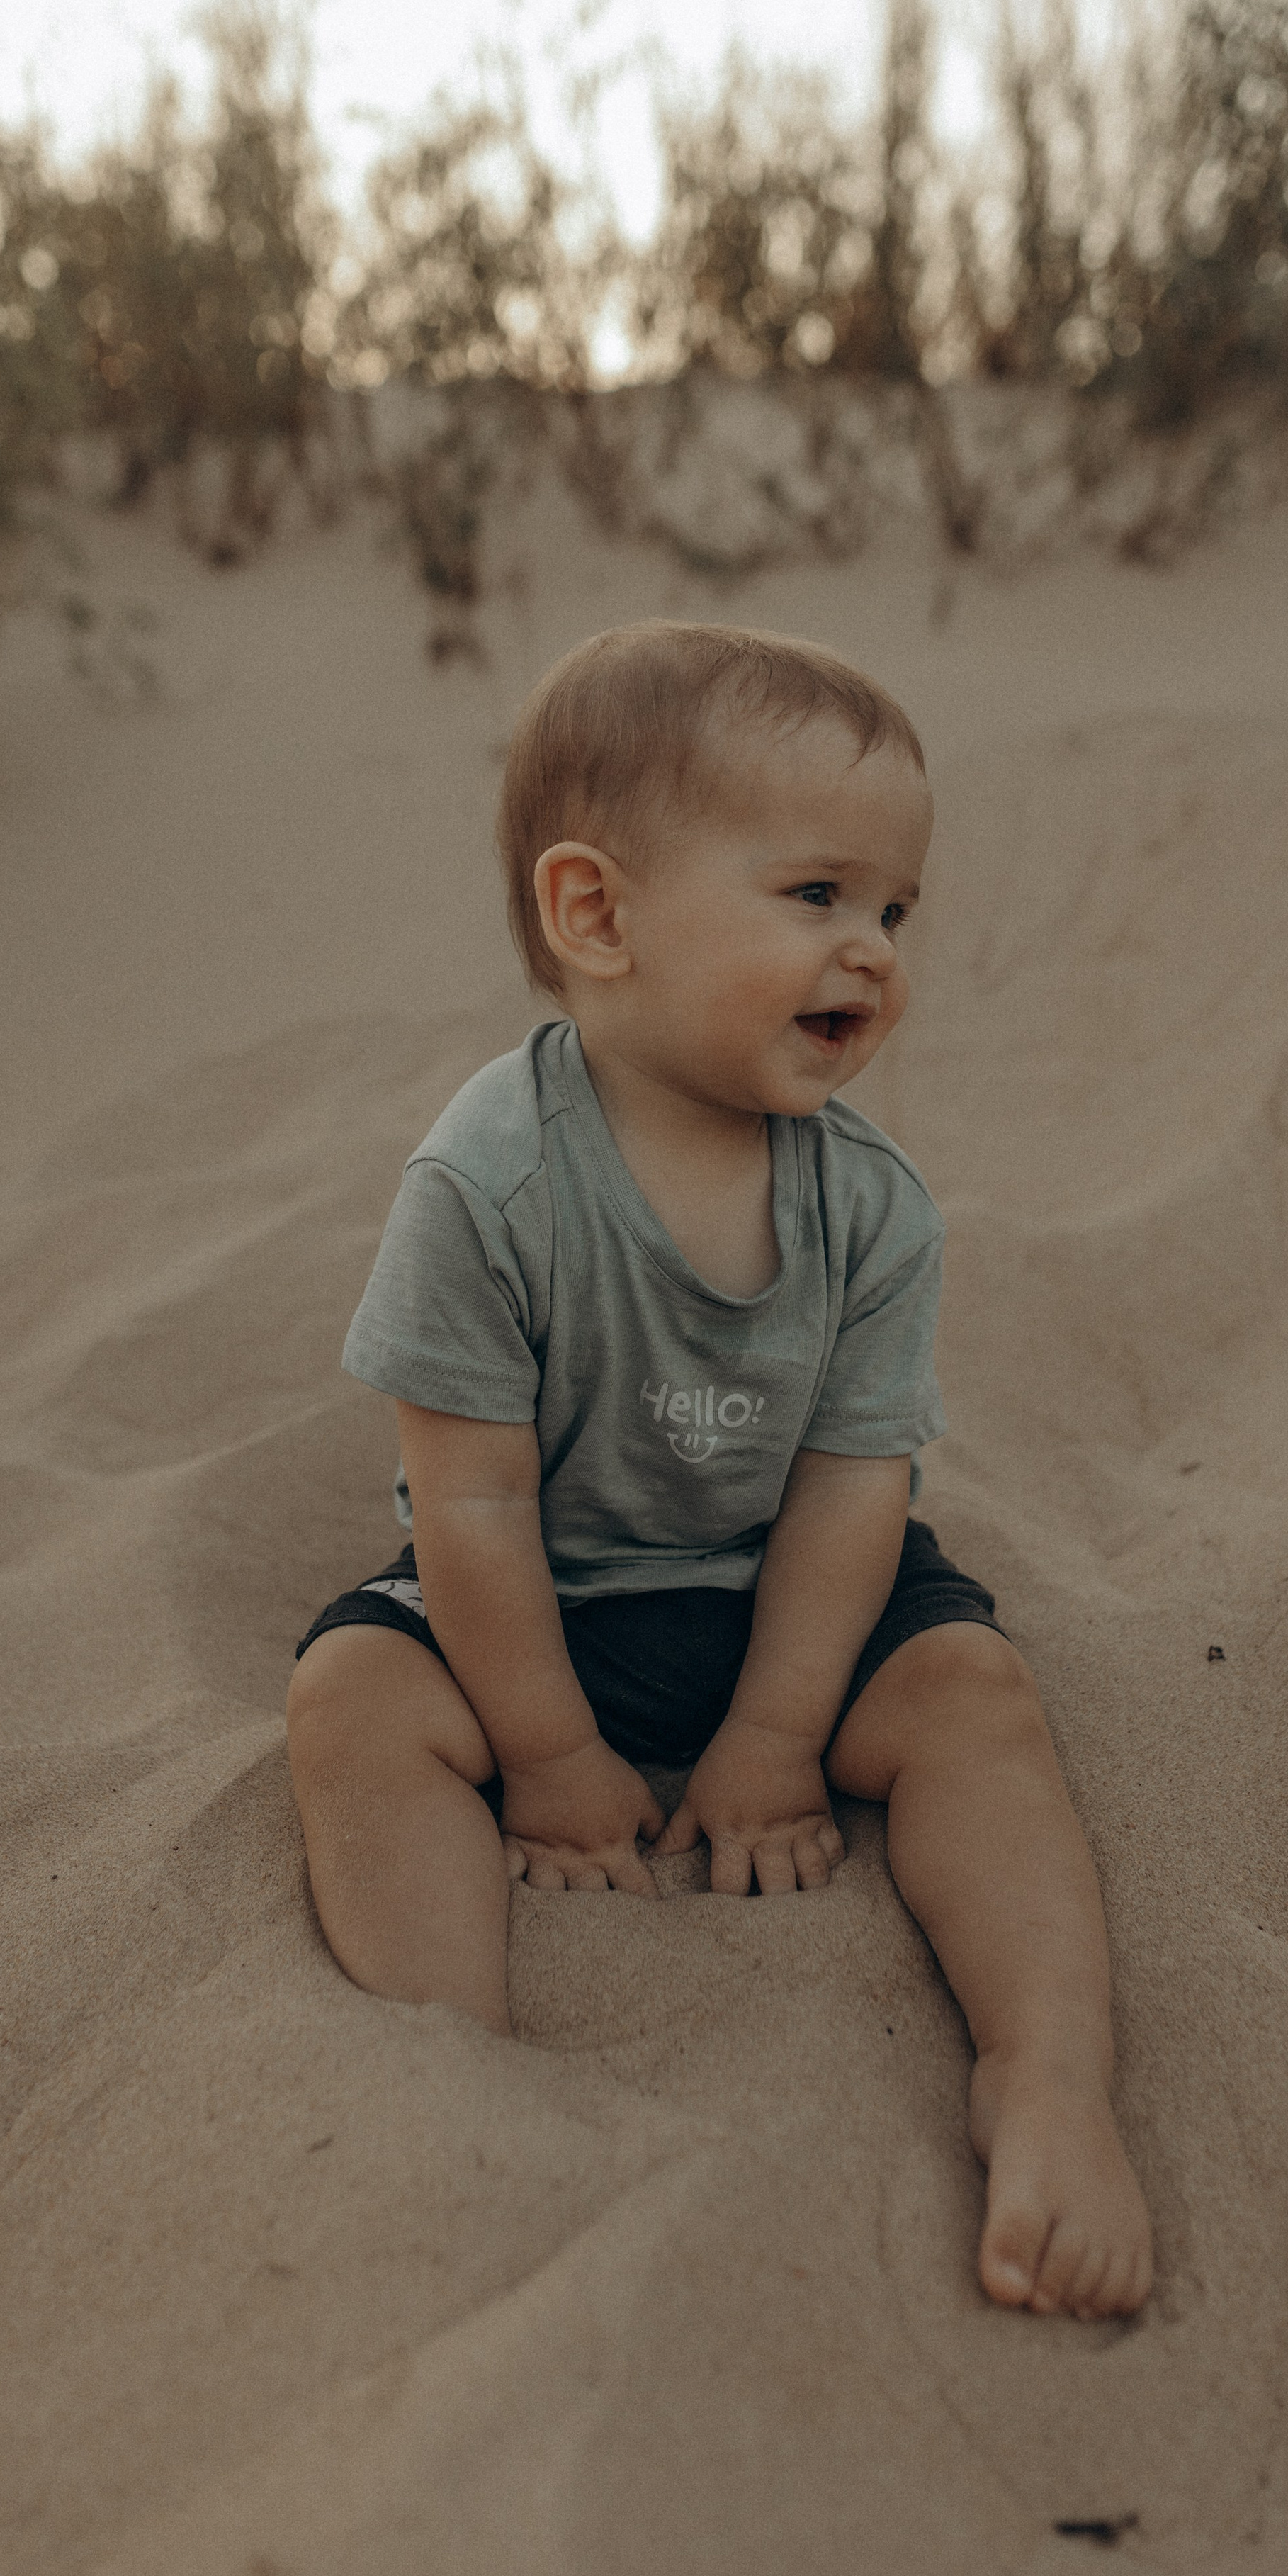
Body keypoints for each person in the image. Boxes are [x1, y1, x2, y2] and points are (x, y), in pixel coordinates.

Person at [287, 620, 1153, 2319]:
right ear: (595, 915)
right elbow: (468, 1503)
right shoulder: (484, 1184)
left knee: (974, 1695)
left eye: (894, 910)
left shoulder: (870, 1208)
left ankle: (1045, 2077)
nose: (871, 952)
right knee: (350, 1705)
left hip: (785, 1603)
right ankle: (445, 2080)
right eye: (816, 894)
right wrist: (545, 1752)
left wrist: (773, 1736)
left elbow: (849, 1491)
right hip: (539, 1604)